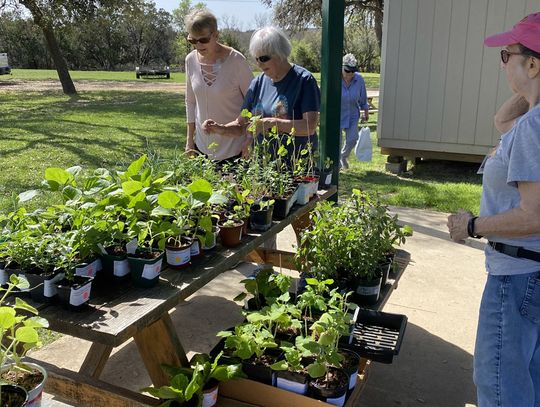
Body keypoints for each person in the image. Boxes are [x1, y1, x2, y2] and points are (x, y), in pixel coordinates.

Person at [447, 12, 540, 407]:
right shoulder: (529, 119)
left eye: (507, 56)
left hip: (515, 275)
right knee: (527, 383)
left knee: (500, 389)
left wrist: (472, 225)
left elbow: (534, 215)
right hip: (530, 273)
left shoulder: (535, 126)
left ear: (532, 63)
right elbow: (502, 120)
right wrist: (532, 89)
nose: (502, 64)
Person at [202, 26, 320, 164]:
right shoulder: (257, 83)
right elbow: (242, 126)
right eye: (256, 59)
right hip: (263, 168)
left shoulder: (304, 80)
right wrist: (219, 128)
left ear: (280, 53)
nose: (259, 64)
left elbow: (309, 127)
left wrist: (271, 123)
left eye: (264, 58)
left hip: (298, 166)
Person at [184, 8, 253, 162]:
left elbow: (253, 104)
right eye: (193, 40)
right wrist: (190, 141)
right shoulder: (190, 60)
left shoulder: (237, 61)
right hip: (201, 148)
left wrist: (249, 138)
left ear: (216, 35)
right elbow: (190, 101)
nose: (198, 45)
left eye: (203, 40)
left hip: (234, 149)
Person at [339, 53, 370, 170]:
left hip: (353, 112)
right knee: (337, 141)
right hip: (338, 112)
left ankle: (343, 156)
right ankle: (337, 165)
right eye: (347, 71)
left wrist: (366, 112)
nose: (350, 74)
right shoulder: (336, 78)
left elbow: (363, 98)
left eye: (352, 71)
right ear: (342, 68)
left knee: (353, 139)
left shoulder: (359, 79)